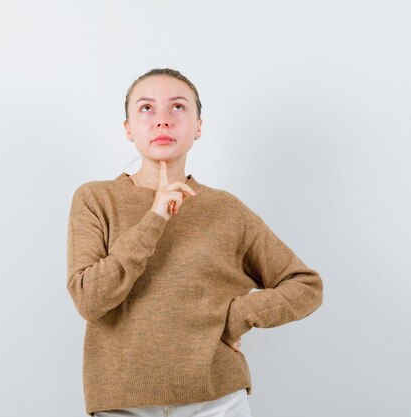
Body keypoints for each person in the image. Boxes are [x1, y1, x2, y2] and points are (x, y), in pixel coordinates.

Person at [66, 68, 324, 417]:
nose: (162, 121)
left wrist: (237, 316)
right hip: (122, 402)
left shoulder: (226, 210)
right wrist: (155, 217)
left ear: (198, 126)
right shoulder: (96, 199)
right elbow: (90, 299)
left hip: (216, 400)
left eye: (177, 107)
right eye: (146, 108)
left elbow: (306, 285)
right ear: (128, 128)